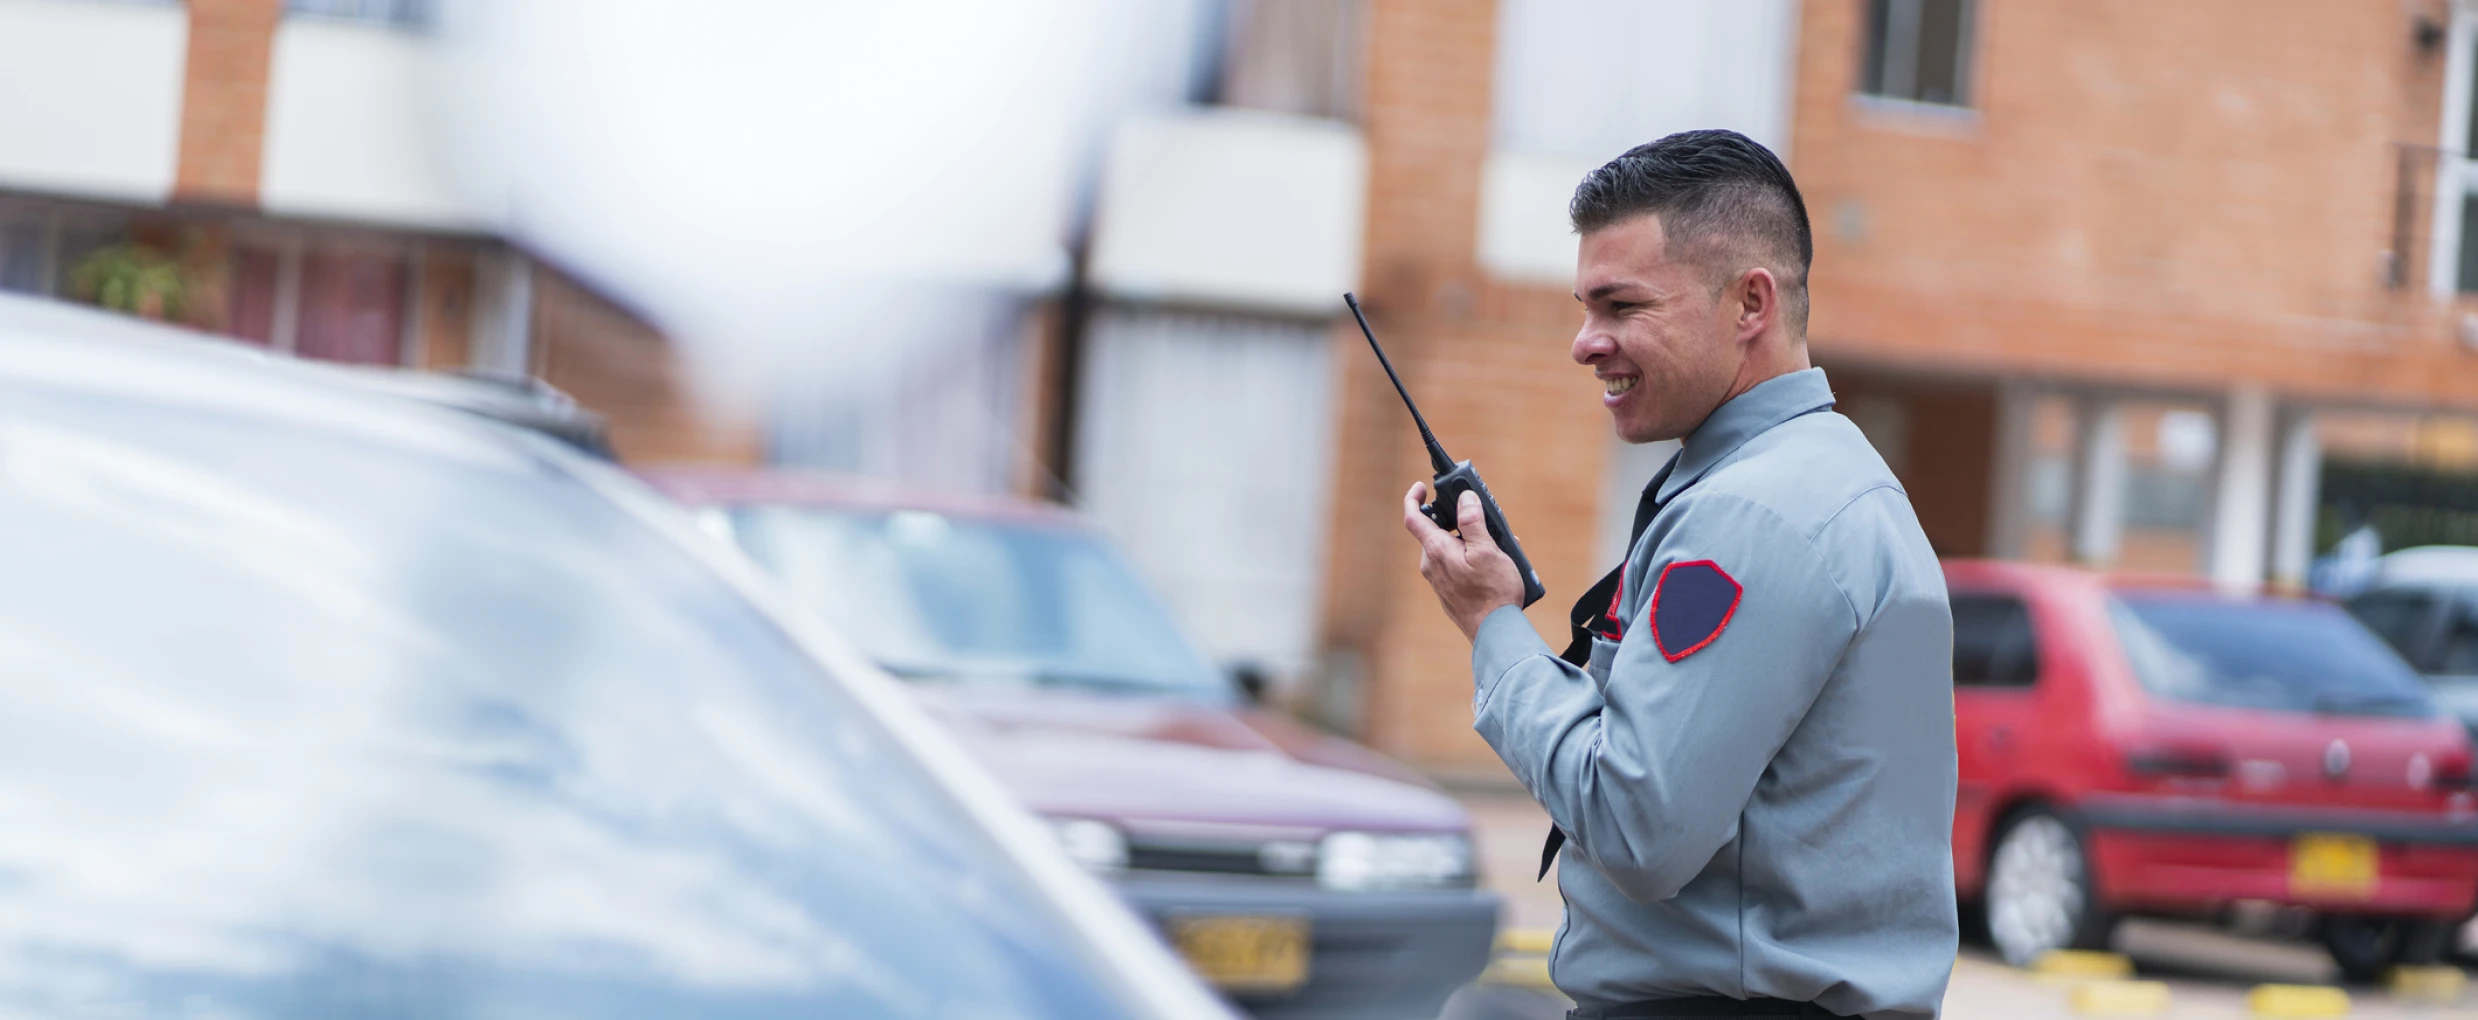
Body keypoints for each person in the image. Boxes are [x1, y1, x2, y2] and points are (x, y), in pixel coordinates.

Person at [1400, 130, 1958, 1019]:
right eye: (1585, 308)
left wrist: (1492, 624)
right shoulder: (1830, 481)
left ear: (1749, 303)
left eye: (1621, 306)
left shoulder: (1754, 514)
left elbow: (1636, 825)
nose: (1586, 344)